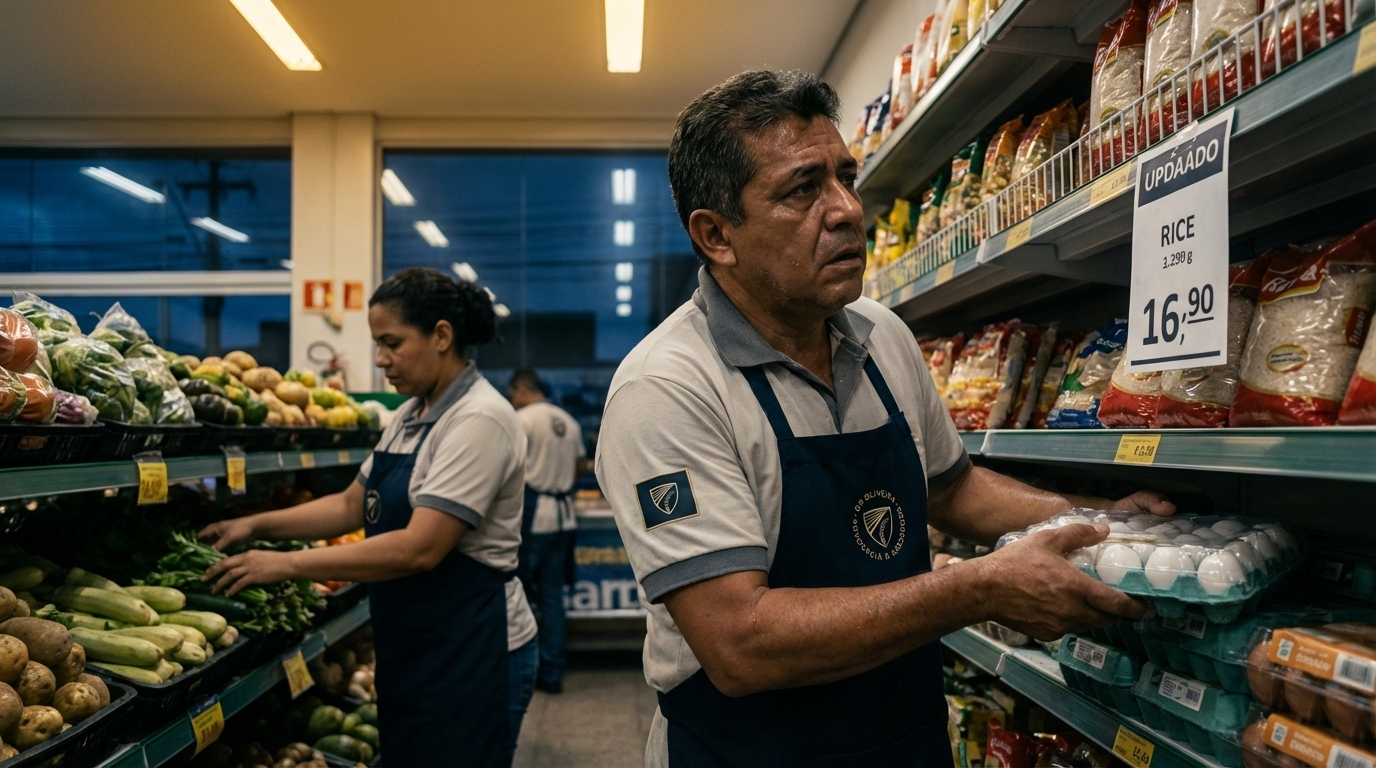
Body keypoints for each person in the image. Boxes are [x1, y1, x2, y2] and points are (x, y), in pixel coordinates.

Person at [594, 70, 1177, 768]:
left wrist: (1095, 521)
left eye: (845, 178)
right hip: (750, 752)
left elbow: (952, 489)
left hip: (904, 738)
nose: (846, 210)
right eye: (802, 189)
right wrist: (980, 586)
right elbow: (740, 643)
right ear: (716, 235)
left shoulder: (880, 336)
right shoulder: (667, 389)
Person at [198, 268, 538, 767]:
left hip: (474, 648)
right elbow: (350, 505)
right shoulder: (411, 415)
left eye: (392, 343)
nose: (381, 360)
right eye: (378, 344)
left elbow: (420, 548)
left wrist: (286, 564)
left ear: (442, 335)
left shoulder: (478, 418)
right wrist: (255, 526)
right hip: (415, 640)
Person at [509, 367, 589, 694]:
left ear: (522, 389)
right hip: (563, 516)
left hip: (533, 516)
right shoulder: (568, 421)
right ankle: (552, 673)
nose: (513, 400)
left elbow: (507, 466)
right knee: (553, 597)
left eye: (513, 394)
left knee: (521, 595)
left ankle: (524, 671)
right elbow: (581, 465)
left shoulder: (521, 419)